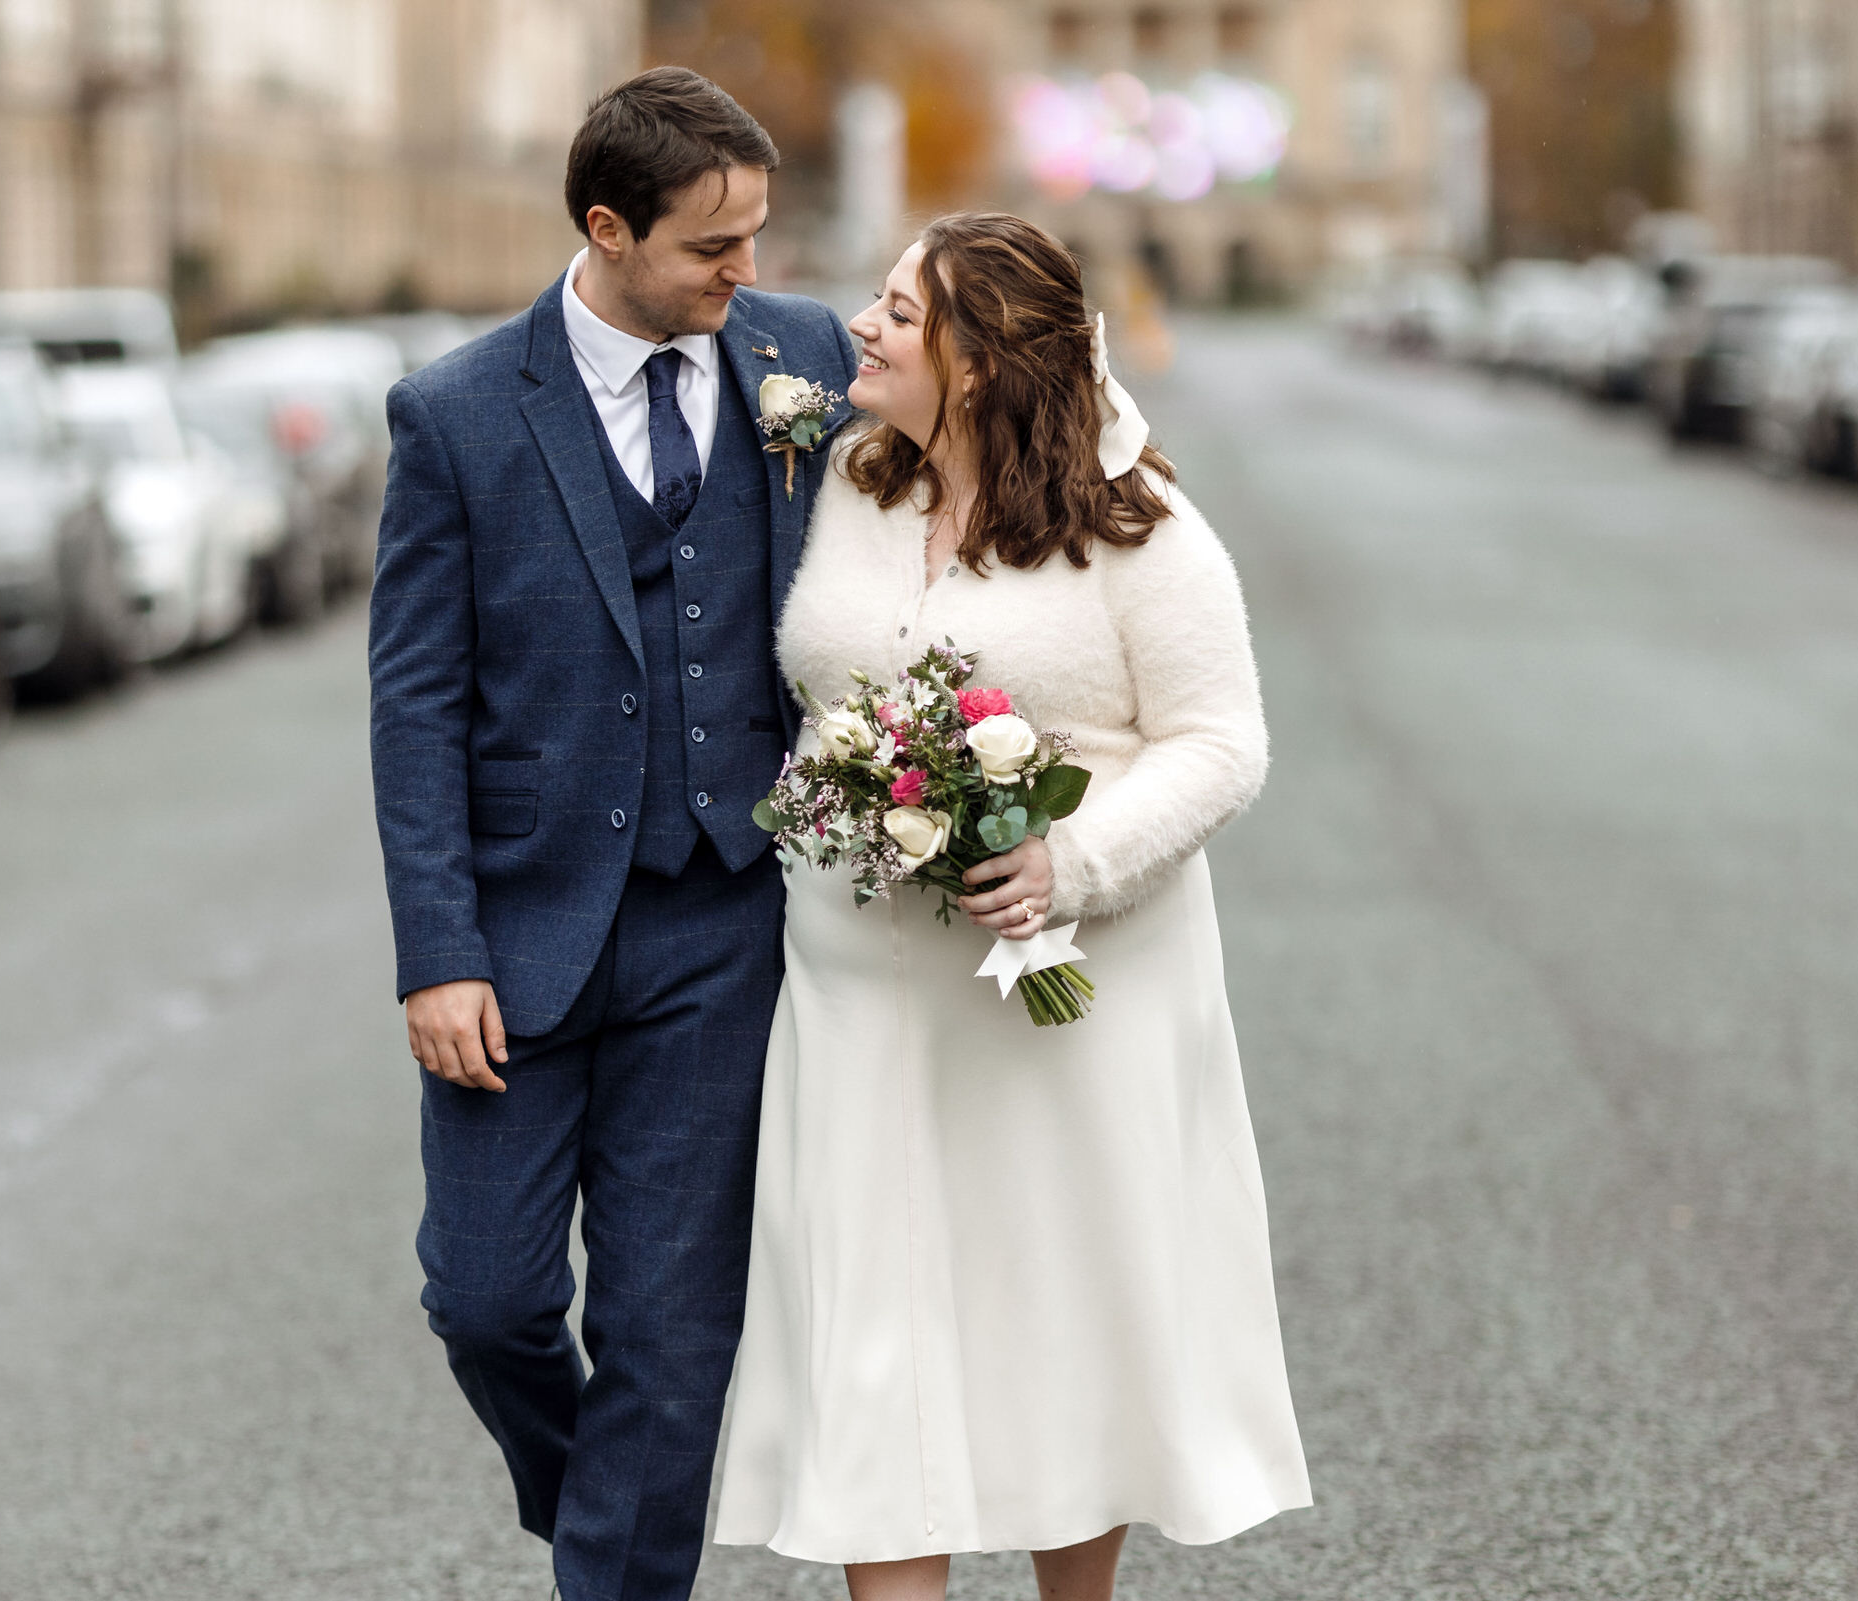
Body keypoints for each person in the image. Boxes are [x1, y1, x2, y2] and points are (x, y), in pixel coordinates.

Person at [714, 213, 1313, 1600]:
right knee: (871, 1320)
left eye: (898, 311)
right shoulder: (852, 488)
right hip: (862, 989)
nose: (859, 326)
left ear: (978, 360)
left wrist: (1071, 863)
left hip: (1069, 995)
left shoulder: (1137, 526)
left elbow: (1223, 743)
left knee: (1055, 1314)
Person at [366, 68, 855, 1601]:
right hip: (518, 941)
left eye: (759, 236)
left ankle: (618, 1565)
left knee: (667, 1328)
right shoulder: (455, 412)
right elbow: (414, 705)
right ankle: (607, 1511)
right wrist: (437, 953)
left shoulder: (804, 359)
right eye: (715, 247)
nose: (747, 273)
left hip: (727, 926)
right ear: (607, 228)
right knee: (490, 1301)